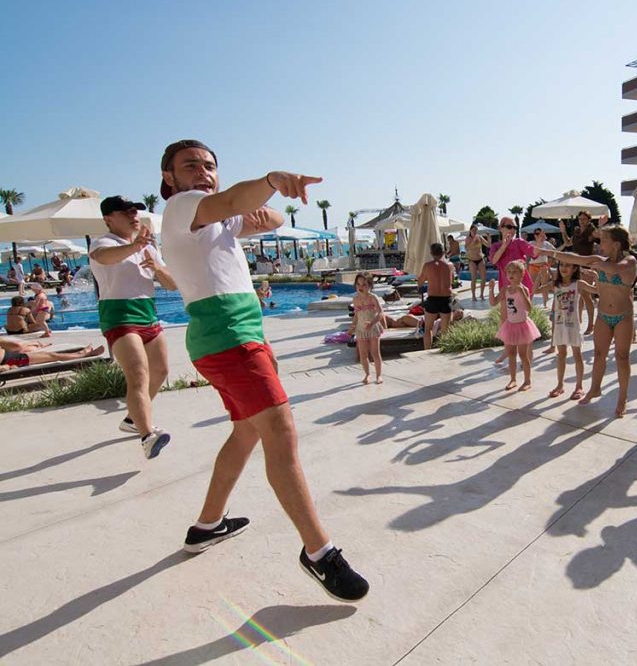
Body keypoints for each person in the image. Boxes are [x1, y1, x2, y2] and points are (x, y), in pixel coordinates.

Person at [158, 138, 368, 599]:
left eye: (209, 165)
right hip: (228, 336)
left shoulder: (212, 220)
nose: (203, 171)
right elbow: (236, 201)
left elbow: (270, 218)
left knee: (246, 433)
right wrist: (272, 181)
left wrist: (250, 212)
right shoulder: (182, 207)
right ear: (169, 178)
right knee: (280, 432)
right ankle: (319, 552)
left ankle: (207, 525)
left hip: (238, 335)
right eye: (190, 165)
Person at [89, 195, 178, 458]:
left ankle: (132, 419)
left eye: (135, 211)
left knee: (160, 371)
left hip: (147, 313)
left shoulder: (146, 247)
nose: (133, 216)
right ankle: (148, 435)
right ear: (108, 219)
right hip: (119, 316)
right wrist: (135, 246)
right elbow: (105, 258)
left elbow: (172, 284)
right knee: (138, 373)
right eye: (126, 212)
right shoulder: (103, 242)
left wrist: (157, 268)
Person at [538, 225, 637, 417]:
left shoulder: (630, 261)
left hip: (623, 316)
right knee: (599, 354)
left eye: (604, 239)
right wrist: (547, 252)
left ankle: (622, 397)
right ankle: (595, 389)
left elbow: (615, 269)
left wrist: (594, 264)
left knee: (622, 357)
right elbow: (575, 258)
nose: (600, 243)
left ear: (616, 244)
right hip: (603, 315)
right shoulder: (599, 260)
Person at [489, 260, 541, 391]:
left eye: (515, 272)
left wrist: (522, 292)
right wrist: (491, 289)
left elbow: (529, 308)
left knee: (523, 355)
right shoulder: (505, 289)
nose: (511, 275)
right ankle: (513, 379)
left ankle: (527, 381)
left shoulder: (524, 289)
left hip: (522, 325)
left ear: (522, 274)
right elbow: (493, 302)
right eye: (509, 272)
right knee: (511, 353)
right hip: (510, 325)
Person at [548, 262, 586, 400]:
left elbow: (598, 290)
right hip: (559, 325)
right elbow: (536, 290)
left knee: (577, 355)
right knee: (561, 355)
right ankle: (560, 385)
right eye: (561, 265)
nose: (563, 268)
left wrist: (596, 276)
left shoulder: (578, 284)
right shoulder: (555, 284)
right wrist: (540, 276)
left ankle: (579, 386)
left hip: (573, 325)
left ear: (575, 268)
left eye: (568, 265)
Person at [559, 211, 600, 333]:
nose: (581, 221)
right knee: (579, 294)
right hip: (576, 266)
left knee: (586, 294)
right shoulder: (577, 231)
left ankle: (591, 324)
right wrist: (563, 231)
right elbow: (567, 243)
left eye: (584, 219)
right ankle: (579, 321)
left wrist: (601, 226)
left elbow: (599, 236)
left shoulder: (591, 230)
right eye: (580, 219)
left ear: (589, 220)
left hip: (587, 266)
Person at [417, 242, 455, 350]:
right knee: (445, 330)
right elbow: (451, 282)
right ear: (443, 252)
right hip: (446, 299)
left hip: (433, 298)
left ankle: (427, 351)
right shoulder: (449, 266)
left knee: (428, 328)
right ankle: (445, 350)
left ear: (431, 253)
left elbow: (420, 282)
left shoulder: (427, 266)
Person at [352, 271, 386, 384]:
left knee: (375, 353)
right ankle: (367, 374)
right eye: (358, 284)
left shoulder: (373, 298)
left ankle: (379, 375)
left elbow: (380, 313)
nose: (360, 287)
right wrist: (353, 326)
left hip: (373, 328)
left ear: (370, 286)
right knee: (363, 354)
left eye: (364, 285)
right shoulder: (355, 299)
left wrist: (372, 323)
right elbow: (356, 315)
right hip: (361, 329)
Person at [490, 216, 537, 294]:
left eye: (515, 227)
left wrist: (554, 253)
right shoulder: (496, 246)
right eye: (509, 227)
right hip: (506, 285)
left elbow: (534, 252)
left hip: (522, 285)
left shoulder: (519, 242)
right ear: (500, 228)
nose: (512, 230)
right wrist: (504, 245)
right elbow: (493, 261)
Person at [0, 337, 105, 371]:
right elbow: (16, 346)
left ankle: (36, 345)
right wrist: (4, 367)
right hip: (12, 360)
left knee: (34, 351)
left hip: (9, 356)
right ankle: (82, 354)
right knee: (52, 356)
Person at [529, 229, 556, 307]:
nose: (539, 235)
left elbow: (555, 251)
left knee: (544, 285)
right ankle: (529, 302)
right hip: (533, 266)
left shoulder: (546, 244)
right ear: (535, 235)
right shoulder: (531, 243)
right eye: (537, 234)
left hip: (543, 265)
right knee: (532, 285)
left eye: (540, 234)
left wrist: (552, 260)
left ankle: (545, 304)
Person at [464, 224, 491, 300]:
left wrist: (489, 237)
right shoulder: (468, 238)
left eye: (476, 230)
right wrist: (473, 241)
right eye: (473, 230)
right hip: (472, 259)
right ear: (470, 230)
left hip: (480, 258)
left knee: (483, 277)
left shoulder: (479, 237)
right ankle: (473, 295)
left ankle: (481, 294)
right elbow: (467, 248)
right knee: (474, 278)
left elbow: (488, 245)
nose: (475, 231)